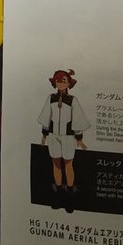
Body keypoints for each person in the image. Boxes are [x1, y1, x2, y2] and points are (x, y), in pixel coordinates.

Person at [38, 68, 90, 211]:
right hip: (53, 135)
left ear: (68, 83)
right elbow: (46, 117)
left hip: (68, 136)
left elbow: (77, 119)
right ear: (54, 83)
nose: (60, 83)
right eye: (58, 81)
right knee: (56, 163)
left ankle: (70, 193)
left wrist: (79, 138)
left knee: (68, 164)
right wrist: (44, 134)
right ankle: (58, 191)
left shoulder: (73, 100)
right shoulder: (51, 98)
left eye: (63, 81)